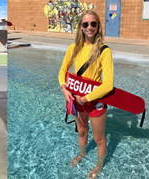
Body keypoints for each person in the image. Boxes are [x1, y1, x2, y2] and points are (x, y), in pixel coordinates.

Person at [58, 10, 113, 179]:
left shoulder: (104, 51)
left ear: (98, 26)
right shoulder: (73, 48)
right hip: (76, 100)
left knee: (98, 138)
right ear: (80, 27)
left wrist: (86, 98)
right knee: (81, 132)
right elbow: (62, 73)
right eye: (85, 24)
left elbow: (108, 85)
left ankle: (99, 164)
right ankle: (82, 154)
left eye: (93, 24)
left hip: (95, 101)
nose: (89, 27)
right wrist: (65, 90)